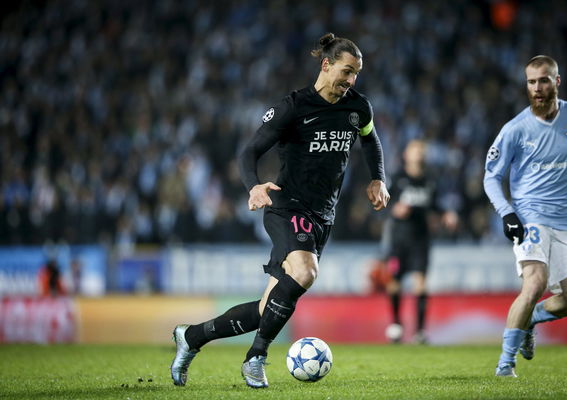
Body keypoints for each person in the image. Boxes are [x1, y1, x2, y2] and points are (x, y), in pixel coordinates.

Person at [170, 32, 390, 389]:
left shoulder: (358, 107)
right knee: (305, 272)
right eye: (346, 71)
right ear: (326, 65)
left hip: (323, 216)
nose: (351, 80)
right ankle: (256, 358)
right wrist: (253, 185)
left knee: (266, 309)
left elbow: (371, 140)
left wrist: (378, 178)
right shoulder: (293, 107)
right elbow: (248, 152)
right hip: (286, 206)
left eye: (356, 74)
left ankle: (191, 336)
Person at [483, 55, 567, 378]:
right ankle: (505, 364)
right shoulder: (516, 129)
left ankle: (532, 318)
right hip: (531, 217)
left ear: (556, 81)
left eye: (544, 80)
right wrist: (507, 213)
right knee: (534, 283)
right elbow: (491, 177)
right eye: (532, 82)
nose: (537, 87)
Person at [379, 139, 458, 344]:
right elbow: (383, 202)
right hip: (399, 238)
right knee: (394, 282)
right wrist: (394, 208)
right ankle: (396, 324)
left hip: (421, 239)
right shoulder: (397, 178)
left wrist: (446, 213)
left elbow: (436, 203)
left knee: (421, 284)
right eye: (415, 150)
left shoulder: (430, 179)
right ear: (407, 154)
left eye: (422, 151)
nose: (419, 154)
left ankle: (420, 331)